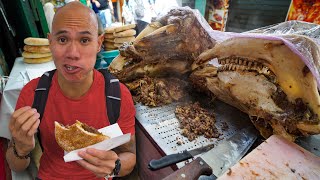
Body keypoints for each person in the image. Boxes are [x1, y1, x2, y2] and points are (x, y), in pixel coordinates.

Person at [6, 2, 136, 179]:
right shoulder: (33, 94)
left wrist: (116, 166)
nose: (73, 53)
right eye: (62, 40)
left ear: (99, 44)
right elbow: (16, 165)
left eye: (84, 40)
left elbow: (130, 154)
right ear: (50, 42)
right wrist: (20, 148)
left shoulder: (117, 95)